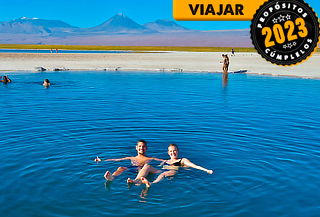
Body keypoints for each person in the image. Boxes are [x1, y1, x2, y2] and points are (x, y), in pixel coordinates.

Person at [140, 144, 213, 188]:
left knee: (163, 174)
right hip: (162, 171)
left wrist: (206, 170)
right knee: (147, 166)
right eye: (171, 151)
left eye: (174, 150)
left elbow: (195, 166)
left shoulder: (182, 160)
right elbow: (158, 167)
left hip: (172, 171)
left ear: (178, 151)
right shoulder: (165, 161)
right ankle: (136, 181)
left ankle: (151, 183)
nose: (173, 153)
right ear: (168, 153)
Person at [94, 140, 163, 181]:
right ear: (136, 148)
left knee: (141, 169)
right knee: (121, 168)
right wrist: (102, 160)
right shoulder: (132, 158)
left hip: (142, 170)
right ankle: (112, 177)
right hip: (132, 168)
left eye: (143, 146)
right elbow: (117, 160)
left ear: (146, 148)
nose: (141, 148)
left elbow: (164, 161)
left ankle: (136, 181)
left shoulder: (150, 158)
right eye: (139, 146)